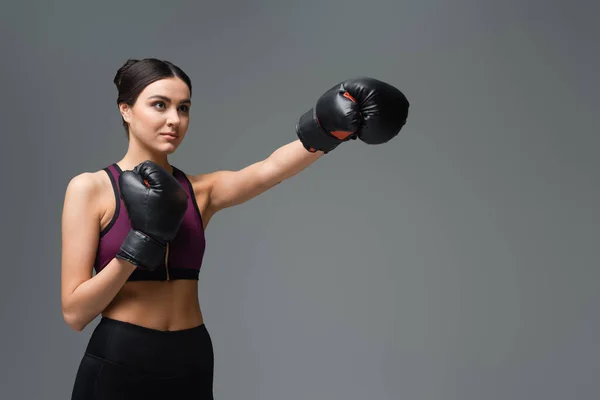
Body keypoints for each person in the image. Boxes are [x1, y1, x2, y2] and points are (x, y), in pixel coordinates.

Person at [61, 58, 410, 399]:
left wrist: (328, 129)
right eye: (159, 105)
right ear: (126, 110)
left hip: (191, 357)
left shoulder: (201, 191)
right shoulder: (90, 189)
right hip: (120, 359)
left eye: (183, 108)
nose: (174, 120)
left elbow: (268, 170)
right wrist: (138, 244)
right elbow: (75, 313)